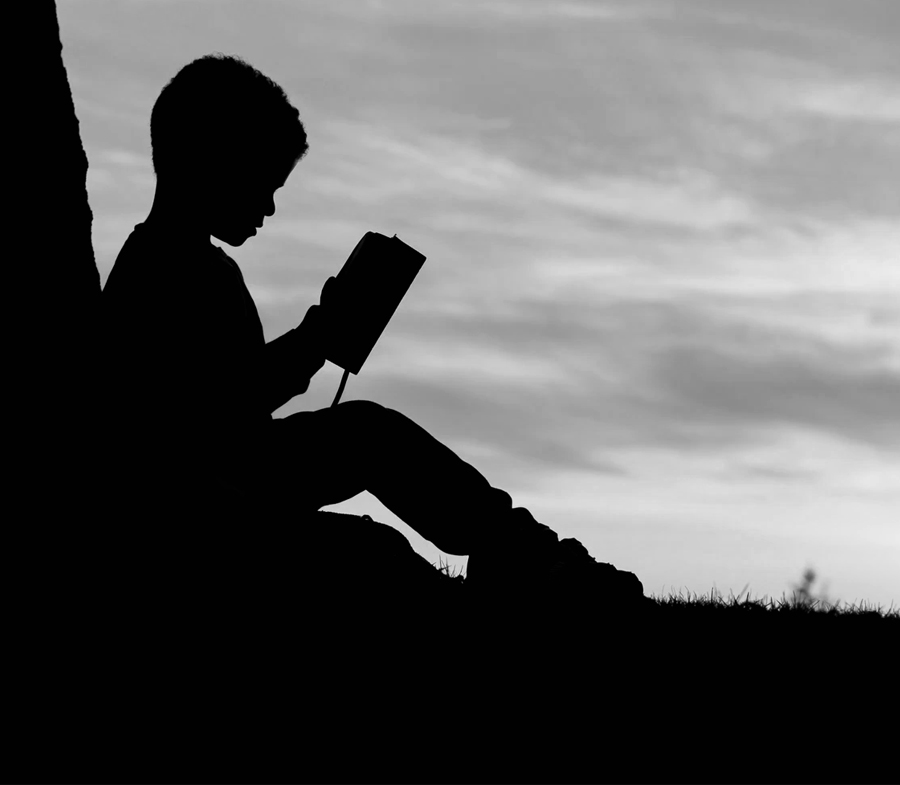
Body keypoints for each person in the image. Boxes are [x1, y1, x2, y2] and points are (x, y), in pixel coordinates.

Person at [100, 53, 644, 600]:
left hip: (237, 471)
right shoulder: (156, 271)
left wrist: (319, 335)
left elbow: (236, 397)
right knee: (372, 547)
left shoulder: (201, 265)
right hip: (201, 507)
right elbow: (207, 416)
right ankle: (529, 575)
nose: (267, 207)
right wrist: (317, 339)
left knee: (369, 432)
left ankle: (525, 554)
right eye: (262, 182)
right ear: (212, 161)